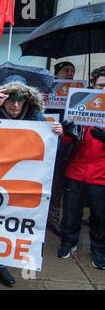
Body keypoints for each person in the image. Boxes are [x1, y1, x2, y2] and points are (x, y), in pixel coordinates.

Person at [0, 80, 63, 287]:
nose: (15, 106)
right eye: (10, 101)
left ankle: (0, 265)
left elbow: (50, 146)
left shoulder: (35, 117)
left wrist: (58, 133)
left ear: (26, 101)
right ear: (2, 101)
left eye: (19, 101)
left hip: (17, 180)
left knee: (7, 223)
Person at [56, 66, 105, 270]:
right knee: (71, 212)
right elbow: (68, 141)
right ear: (93, 85)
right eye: (101, 85)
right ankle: (68, 241)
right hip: (76, 171)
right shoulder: (81, 103)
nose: (104, 90)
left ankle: (99, 249)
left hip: (101, 175)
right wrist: (67, 133)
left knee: (100, 216)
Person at [45, 62, 77, 237]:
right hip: (47, 142)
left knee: (58, 184)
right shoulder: (46, 90)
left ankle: (53, 218)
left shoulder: (79, 93)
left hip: (65, 146)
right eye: (66, 70)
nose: (70, 74)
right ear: (57, 73)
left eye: (72, 71)